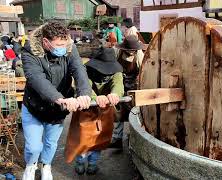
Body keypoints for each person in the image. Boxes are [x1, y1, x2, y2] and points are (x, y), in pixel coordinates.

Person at [21, 22, 92, 180]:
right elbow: (36, 78)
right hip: (35, 106)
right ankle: (31, 165)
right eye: (58, 44)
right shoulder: (29, 51)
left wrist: (85, 93)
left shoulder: (69, 47)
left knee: (50, 143)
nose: (63, 47)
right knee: (34, 147)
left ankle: (46, 165)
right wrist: (59, 98)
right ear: (45, 42)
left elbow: (79, 69)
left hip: (57, 110)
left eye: (64, 43)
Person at [74, 46, 124, 175]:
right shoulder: (85, 70)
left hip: (104, 110)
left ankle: (92, 164)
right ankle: (80, 162)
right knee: (84, 137)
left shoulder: (117, 71)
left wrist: (115, 94)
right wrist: (96, 98)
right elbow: (84, 86)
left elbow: (118, 85)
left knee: (100, 137)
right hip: (86, 107)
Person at [109, 35, 144, 149]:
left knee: (133, 112)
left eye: (132, 50)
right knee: (118, 111)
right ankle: (117, 138)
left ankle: (132, 137)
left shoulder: (139, 55)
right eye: (128, 50)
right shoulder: (116, 52)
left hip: (133, 85)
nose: (130, 52)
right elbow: (111, 67)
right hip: (119, 83)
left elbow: (143, 71)